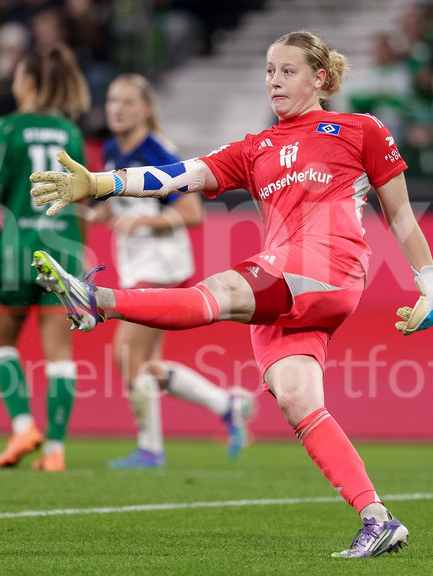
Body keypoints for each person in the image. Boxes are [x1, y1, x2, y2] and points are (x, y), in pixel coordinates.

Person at [29, 30, 433, 558]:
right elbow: (177, 177)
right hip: (289, 289)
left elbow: (400, 213)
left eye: (288, 70)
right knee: (296, 398)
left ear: (320, 77)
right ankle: (377, 518)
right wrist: (100, 183)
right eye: (269, 70)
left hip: (328, 265)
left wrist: (430, 283)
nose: (275, 80)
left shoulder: (359, 129)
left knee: (220, 290)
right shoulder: (254, 148)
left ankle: (97, 301)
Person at [97, 73, 255, 469]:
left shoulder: (158, 151)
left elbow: (192, 212)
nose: (117, 109)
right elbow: (117, 205)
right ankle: (228, 405)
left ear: (147, 109)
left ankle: (150, 449)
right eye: (112, 100)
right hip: (137, 266)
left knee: (125, 353)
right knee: (147, 366)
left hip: (162, 265)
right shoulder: (112, 149)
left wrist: (144, 222)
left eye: (127, 102)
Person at [0, 44, 90, 473]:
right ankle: (55, 449)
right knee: (60, 355)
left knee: (1, 343)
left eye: (15, 77)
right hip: (63, 253)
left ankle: (23, 426)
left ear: (27, 82)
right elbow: (83, 201)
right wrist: (80, 257)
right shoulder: (70, 133)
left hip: (17, 253)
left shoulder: (8, 128)